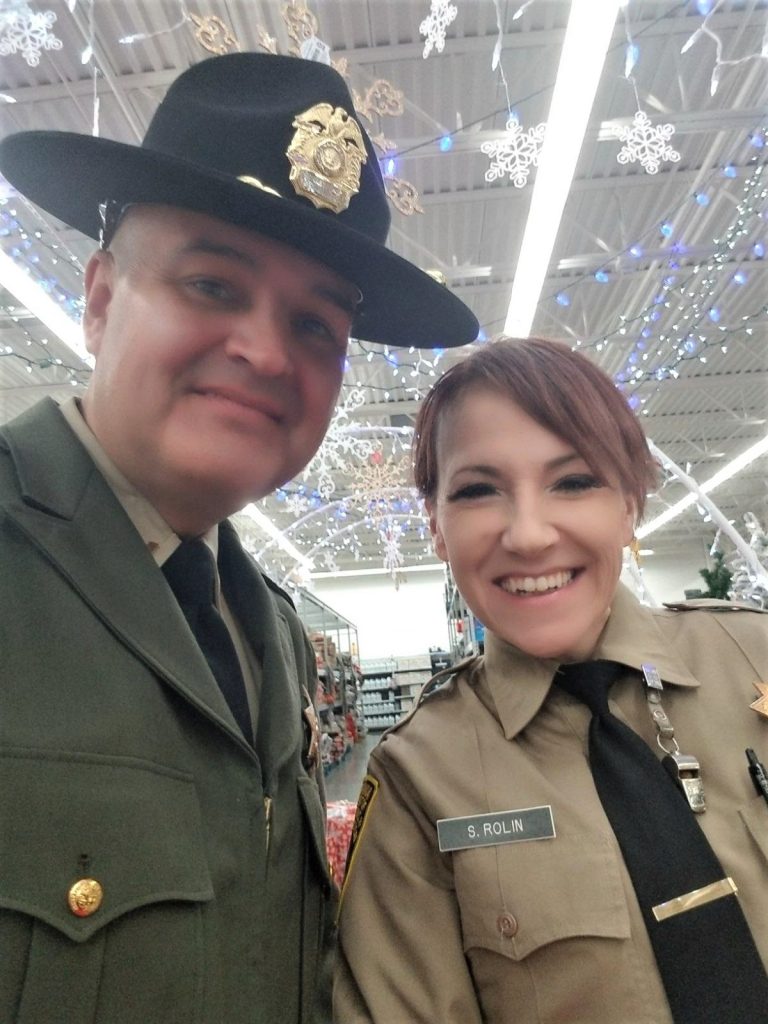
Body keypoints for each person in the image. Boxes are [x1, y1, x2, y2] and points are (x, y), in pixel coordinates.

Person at [0, 53, 477, 1024]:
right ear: (100, 299)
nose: (265, 352)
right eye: (212, 284)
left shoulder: (273, 634)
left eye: (316, 326)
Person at [334, 337, 768, 1024]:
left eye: (573, 481)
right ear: (437, 527)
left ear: (629, 503)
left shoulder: (754, 658)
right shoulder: (420, 774)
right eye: (478, 491)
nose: (530, 535)